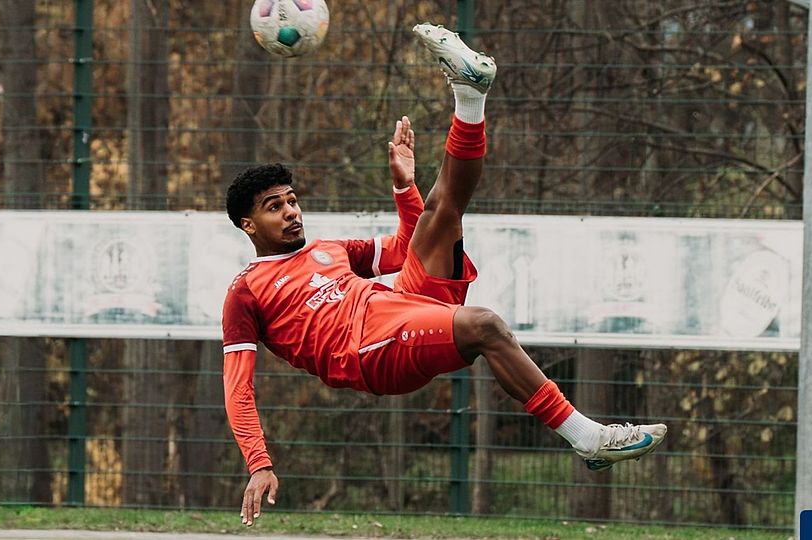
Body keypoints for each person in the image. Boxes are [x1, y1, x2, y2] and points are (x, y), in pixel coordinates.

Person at [222, 23, 667, 526]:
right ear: (248, 224)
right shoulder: (245, 291)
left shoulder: (329, 250)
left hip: (396, 307)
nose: (291, 212)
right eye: (274, 206)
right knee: (485, 326)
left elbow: (410, 242)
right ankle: (590, 439)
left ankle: (468, 94)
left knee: (442, 208)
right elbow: (238, 387)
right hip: (367, 352)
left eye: (293, 200)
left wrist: (404, 187)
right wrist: (259, 463)